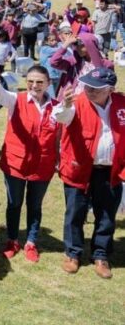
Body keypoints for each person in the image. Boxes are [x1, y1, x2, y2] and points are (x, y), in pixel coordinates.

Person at [0, 62, 59, 263]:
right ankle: (12, 240)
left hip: (42, 166)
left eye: (40, 82)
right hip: (15, 163)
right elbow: (1, 96)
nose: (35, 86)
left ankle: (31, 242)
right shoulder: (17, 100)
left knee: (35, 205)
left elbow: (62, 128)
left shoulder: (56, 107)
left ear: (48, 83)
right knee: (14, 203)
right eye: (31, 81)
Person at [54, 68, 125, 279]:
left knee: (106, 214)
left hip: (111, 170)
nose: (90, 91)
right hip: (79, 168)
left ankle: (101, 254)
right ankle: (73, 253)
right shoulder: (76, 101)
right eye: (87, 85)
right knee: (75, 212)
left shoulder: (121, 104)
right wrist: (66, 104)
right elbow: (60, 116)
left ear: (110, 89)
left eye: (96, 88)